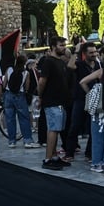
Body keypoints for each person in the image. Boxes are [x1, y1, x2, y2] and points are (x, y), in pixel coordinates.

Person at [37, 37, 71, 170]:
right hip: (51, 101)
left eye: (64, 45)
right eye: (61, 45)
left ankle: (55, 156)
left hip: (60, 101)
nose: (64, 47)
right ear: (53, 46)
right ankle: (48, 159)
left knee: (57, 129)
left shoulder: (60, 62)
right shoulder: (48, 62)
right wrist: (40, 96)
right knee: (53, 129)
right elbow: (42, 81)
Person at [63, 42, 99, 161]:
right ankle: (69, 153)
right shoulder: (79, 64)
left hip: (95, 99)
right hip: (80, 99)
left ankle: (89, 153)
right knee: (75, 126)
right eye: (91, 52)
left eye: (95, 51)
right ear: (84, 54)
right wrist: (75, 51)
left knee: (93, 127)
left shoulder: (99, 65)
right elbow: (69, 66)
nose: (94, 54)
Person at [2, 55, 40, 149]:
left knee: (10, 119)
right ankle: (27, 140)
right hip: (19, 95)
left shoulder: (9, 69)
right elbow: (27, 86)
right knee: (24, 118)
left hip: (8, 95)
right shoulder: (26, 73)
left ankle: (12, 141)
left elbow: (4, 83)